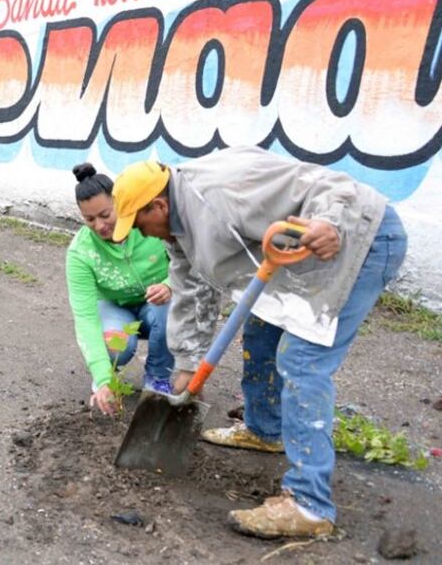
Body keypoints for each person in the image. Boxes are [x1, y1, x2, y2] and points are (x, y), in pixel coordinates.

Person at [111, 146, 406, 539]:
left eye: (138, 224)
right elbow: (190, 286)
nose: (139, 233)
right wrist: (186, 364)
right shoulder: (180, 222)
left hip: (358, 242)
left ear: (158, 206)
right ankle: (265, 430)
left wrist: (330, 224)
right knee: (261, 330)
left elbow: (330, 184)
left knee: (302, 361)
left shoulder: (220, 195)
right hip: (301, 261)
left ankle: (309, 505)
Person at [65, 163, 174, 416]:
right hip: (115, 308)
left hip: (156, 306)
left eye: (105, 214)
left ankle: (158, 380)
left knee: (168, 310)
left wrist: (170, 285)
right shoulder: (80, 252)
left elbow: (187, 263)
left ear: (119, 203)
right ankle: (107, 383)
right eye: (89, 219)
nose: (100, 226)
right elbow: (85, 319)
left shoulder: (147, 224)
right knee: (116, 345)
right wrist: (103, 378)